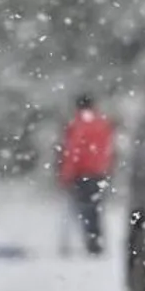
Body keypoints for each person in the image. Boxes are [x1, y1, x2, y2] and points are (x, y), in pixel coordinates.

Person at [58, 94, 116, 256]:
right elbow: (109, 149)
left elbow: (72, 152)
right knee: (95, 209)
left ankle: (90, 242)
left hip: (82, 173)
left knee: (84, 210)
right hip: (100, 172)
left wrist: (66, 174)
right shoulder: (103, 123)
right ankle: (96, 241)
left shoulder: (78, 125)